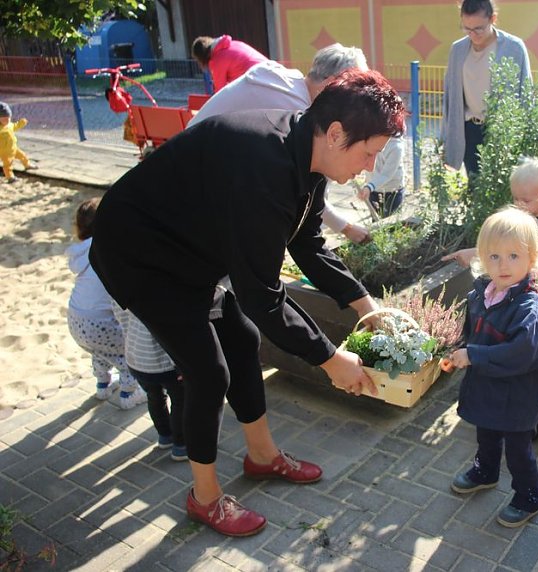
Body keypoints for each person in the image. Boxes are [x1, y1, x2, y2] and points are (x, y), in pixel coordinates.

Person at [90, 69, 406, 537]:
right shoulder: (263, 168)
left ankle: (261, 456)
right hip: (140, 254)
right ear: (337, 133)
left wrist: (365, 307)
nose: (369, 167)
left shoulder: (307, 154)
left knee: (242, 338)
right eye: (369, 153)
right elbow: (262, 295)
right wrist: (330, 359)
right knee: (207, 370)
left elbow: (308, 243)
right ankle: (205, 497)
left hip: (191, 244)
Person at [189, 43, 373, 244]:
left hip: (193, 162)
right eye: (350, 96)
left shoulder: (284, 78)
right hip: (201, 188)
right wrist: (346, 228)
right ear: (330, 86)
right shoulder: (297, 114)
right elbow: (308, 196)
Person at [445, 206, 538, 528]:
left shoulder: (528, 309)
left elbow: (519, 354)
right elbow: (471, 331)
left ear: (532, 258)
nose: (503, 265)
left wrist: (474, 356)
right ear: (481, 257)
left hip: (518, 394)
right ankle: (485, 470)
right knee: (486, 432)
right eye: (493, 257)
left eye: (513, 256)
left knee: (518, 449)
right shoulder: (481, 293)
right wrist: (460, 348)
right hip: (489, 384)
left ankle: (528, 496)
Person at [66, 198, 146, 409]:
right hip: (102, 323)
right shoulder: (108, 249)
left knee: (100, 352)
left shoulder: (80, 252)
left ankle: (103, 385)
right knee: (127, 354)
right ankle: (129, 395)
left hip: (76, 320)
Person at [441, 0, 531, 175]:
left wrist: (524, 139)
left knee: (504, 186)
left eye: (479, 29)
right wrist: (445, 137)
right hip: (470, 131)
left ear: (493, 19)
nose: (473, 34)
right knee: (475, 186)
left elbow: (525, 94)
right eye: (467, 28)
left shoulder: (514, 48)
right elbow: (450, 97)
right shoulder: (458, 50)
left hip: (502, 131)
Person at [441, 157, 538, 267]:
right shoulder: (529, 215)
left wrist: (479, 253)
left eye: (526, 200)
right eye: (515, 198)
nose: (518, 204)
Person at [114, 303, 187, 461]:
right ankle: (181, 445)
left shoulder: (122, 288)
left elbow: (120, 317)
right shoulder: (157, 296)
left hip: (137, 359)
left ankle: (165, 435)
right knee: (180, 400)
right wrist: (180, 364)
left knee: (155, 397)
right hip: (164, 363)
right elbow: (170, 333)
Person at [191, 35, 267, 92]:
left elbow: (221, 93)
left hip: (256, 79)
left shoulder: (217, 60)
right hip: (269, 70)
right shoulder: (234, 44)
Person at [355, 134, 407, 218]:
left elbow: (386, 174)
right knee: (376, 223)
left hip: (392, 191)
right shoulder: (369, 138)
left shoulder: (396, 146)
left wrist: (369, 187)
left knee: (392, 225)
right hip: (373, 189)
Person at [0, 101, 35, 182]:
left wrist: (21, 123)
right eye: (4, 118)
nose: (7, 120)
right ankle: (10, 177)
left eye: (8, 117)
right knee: (8, 164)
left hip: (13, 148)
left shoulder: (9, 125)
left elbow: (15, 126)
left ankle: (27, 165)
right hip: (4, 151)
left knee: (23, 156)